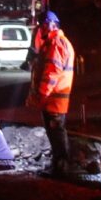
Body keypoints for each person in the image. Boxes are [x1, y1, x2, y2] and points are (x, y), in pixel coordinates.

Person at [26, 10, 76, 177]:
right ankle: (59, 166)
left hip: (54, 100)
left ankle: (62, 168)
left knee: (57, 134)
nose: (41, 30)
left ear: (50, 25)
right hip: (53, 100)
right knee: (55, 134)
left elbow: (52, 73)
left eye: (42, 26)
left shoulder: (56, 43)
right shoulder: (53, 43)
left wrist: (40, 95)